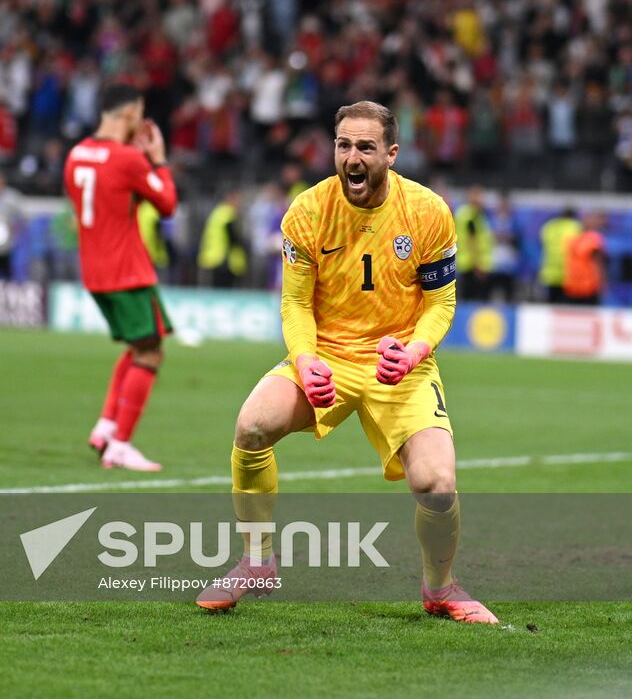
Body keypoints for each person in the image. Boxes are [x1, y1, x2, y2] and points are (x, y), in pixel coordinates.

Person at [196, 101, 498, 625]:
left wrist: (415, 352)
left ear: (391, 153)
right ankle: (257, 559)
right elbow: (294, 302)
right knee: (251, 426)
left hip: (398, 361)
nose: (351, 157)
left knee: (436, 484)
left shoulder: (427, 211)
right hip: (329, 356)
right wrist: (305, 359)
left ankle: (441, 588)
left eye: (365, 147)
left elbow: (440, 302)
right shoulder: (307, 211)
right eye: (343, 145)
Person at [66, 82, 180, 471]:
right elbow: (166, 205)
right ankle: (121, 445)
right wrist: (159, 160)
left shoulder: (76, 155)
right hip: (128, 272)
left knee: (136, 348)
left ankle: (106, 427)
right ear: (130, 113)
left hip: (94, 273)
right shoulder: (127, 159)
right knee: (151, 351)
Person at [197, 191, 247, 288]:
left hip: (213, 257)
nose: (239, 205)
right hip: (223, 260)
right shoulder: (228, 214)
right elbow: (233, 238)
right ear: (231, 199)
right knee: (224, 290)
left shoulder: (218, 212)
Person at [453, 187, 493, 302]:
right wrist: (478, 264)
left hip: (467, 262)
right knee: (474, 300)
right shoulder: (471, 217)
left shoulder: (465, 214)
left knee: (467, 298)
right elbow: (472, 241)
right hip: (473, 265)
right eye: (479, 196)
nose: (482, 200)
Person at [538, 208, 581, 304]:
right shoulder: (575, 227)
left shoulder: (549, 226)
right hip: (568, 274)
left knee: (551, 305)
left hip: (550, 272)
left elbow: (541, 243)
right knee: (565, 308)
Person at [563, 213, 606, 306]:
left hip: (588, 286)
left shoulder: (593, 238)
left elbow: (598, 262)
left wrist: (601, 281)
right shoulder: (573, 238)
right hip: (573, 285)